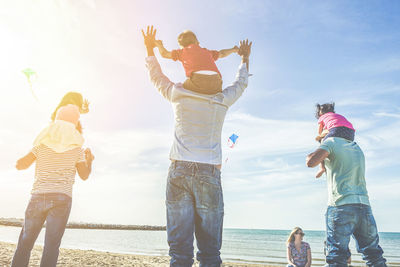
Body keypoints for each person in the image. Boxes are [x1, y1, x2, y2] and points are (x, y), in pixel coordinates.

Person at [142, 25, 251, 267]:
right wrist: (243, 57)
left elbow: (156, 76)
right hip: (208, 173)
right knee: (210, 253)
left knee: (180, 253)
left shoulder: (178, 93)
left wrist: (151, 48)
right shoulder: (220, 99)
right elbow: (241, 83)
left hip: (179, 171)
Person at [11, 92, 94, 267]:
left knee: (25, 244)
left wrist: (21, 160)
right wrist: (90, 161)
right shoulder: (77, 150)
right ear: (74, 126)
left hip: (38, 196)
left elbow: (21, 165)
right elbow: (84, 176)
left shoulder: (41, 146)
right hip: (62, 198)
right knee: (51, 247)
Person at [306, 126, 387, 266]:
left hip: (341, 205)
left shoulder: (331, 142)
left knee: (336, 257)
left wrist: (318, 145)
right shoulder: (356, 147)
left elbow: (310, 162)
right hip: (364, 207)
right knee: (374, 256)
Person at [155, 29, 239, 95]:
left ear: (181, 46)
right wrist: (233, 49)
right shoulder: (206, 51)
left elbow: (164, 54)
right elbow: (222, 53)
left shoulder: (182, 52)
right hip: (216, 84)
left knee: (179, 88)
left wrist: (159, 45)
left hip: (197, 82)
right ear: (197, 42)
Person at [314, 102, 355, 178]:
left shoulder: (322, 117)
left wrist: (320, 138)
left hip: (337, 130)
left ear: (320, 113)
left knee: (323, 143)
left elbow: (320, 132)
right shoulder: (338, 116)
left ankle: (321, 167)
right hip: (350, 133)